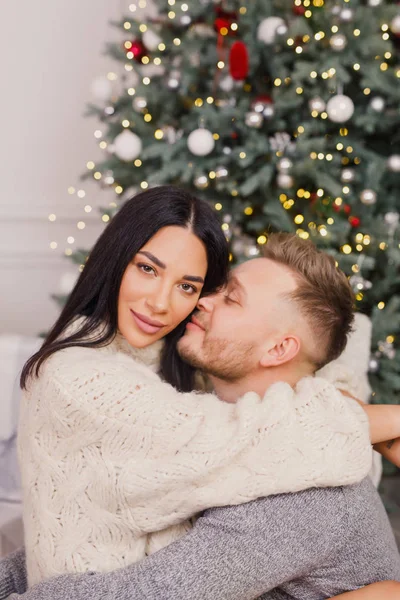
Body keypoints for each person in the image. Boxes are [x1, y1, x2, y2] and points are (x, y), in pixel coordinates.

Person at [1, 231, 400, 599]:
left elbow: (144, 593)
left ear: (278, 350)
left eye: (232, 298)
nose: (202, 300)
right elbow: (84, 525)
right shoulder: (214, 437)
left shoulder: (303, 491)